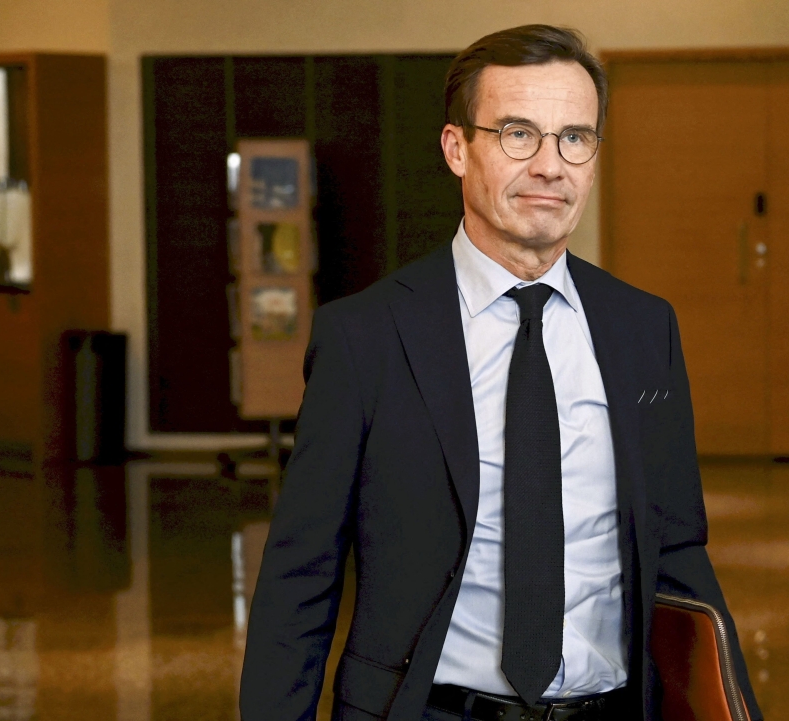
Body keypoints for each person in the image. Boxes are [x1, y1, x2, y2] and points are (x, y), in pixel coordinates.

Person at [241, 24, 761, 721]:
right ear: (458, 148)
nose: (551, 165)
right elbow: (299, 578)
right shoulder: (365, 336)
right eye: (519, 133)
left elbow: (677, 553)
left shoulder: (643, 329)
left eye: (574, 138)